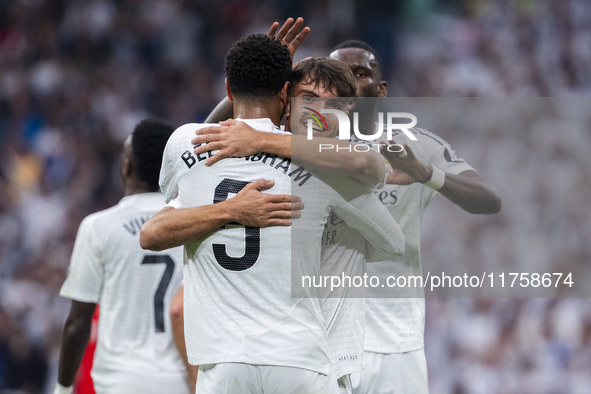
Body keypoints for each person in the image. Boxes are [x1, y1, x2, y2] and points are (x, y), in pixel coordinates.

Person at [198, 39, 502, 393]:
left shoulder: (412, 144)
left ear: (380, 90)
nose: (351, 79)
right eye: (340, 72)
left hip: (392, 342)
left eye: (361, 73)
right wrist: (260, 78)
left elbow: (489, 199)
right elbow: (206, 142)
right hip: (315, 338)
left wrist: (426, 174)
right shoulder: (286, 138)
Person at [140, 34, 404, 393]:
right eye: (308, 98)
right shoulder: (328, 170)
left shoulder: (191, 143)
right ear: (286, 95)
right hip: (304, 358)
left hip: (223, 363)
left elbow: (190, 171)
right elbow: (391, 240)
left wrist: (257, 140)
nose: (317, 111)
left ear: (229, 90)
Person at [54, 119, 191, 394]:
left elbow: (77, 324)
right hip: (180, 380)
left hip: (119, 381)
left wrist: (63, 388)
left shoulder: (98, 227)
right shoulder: (193, 224)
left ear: (127, 165)